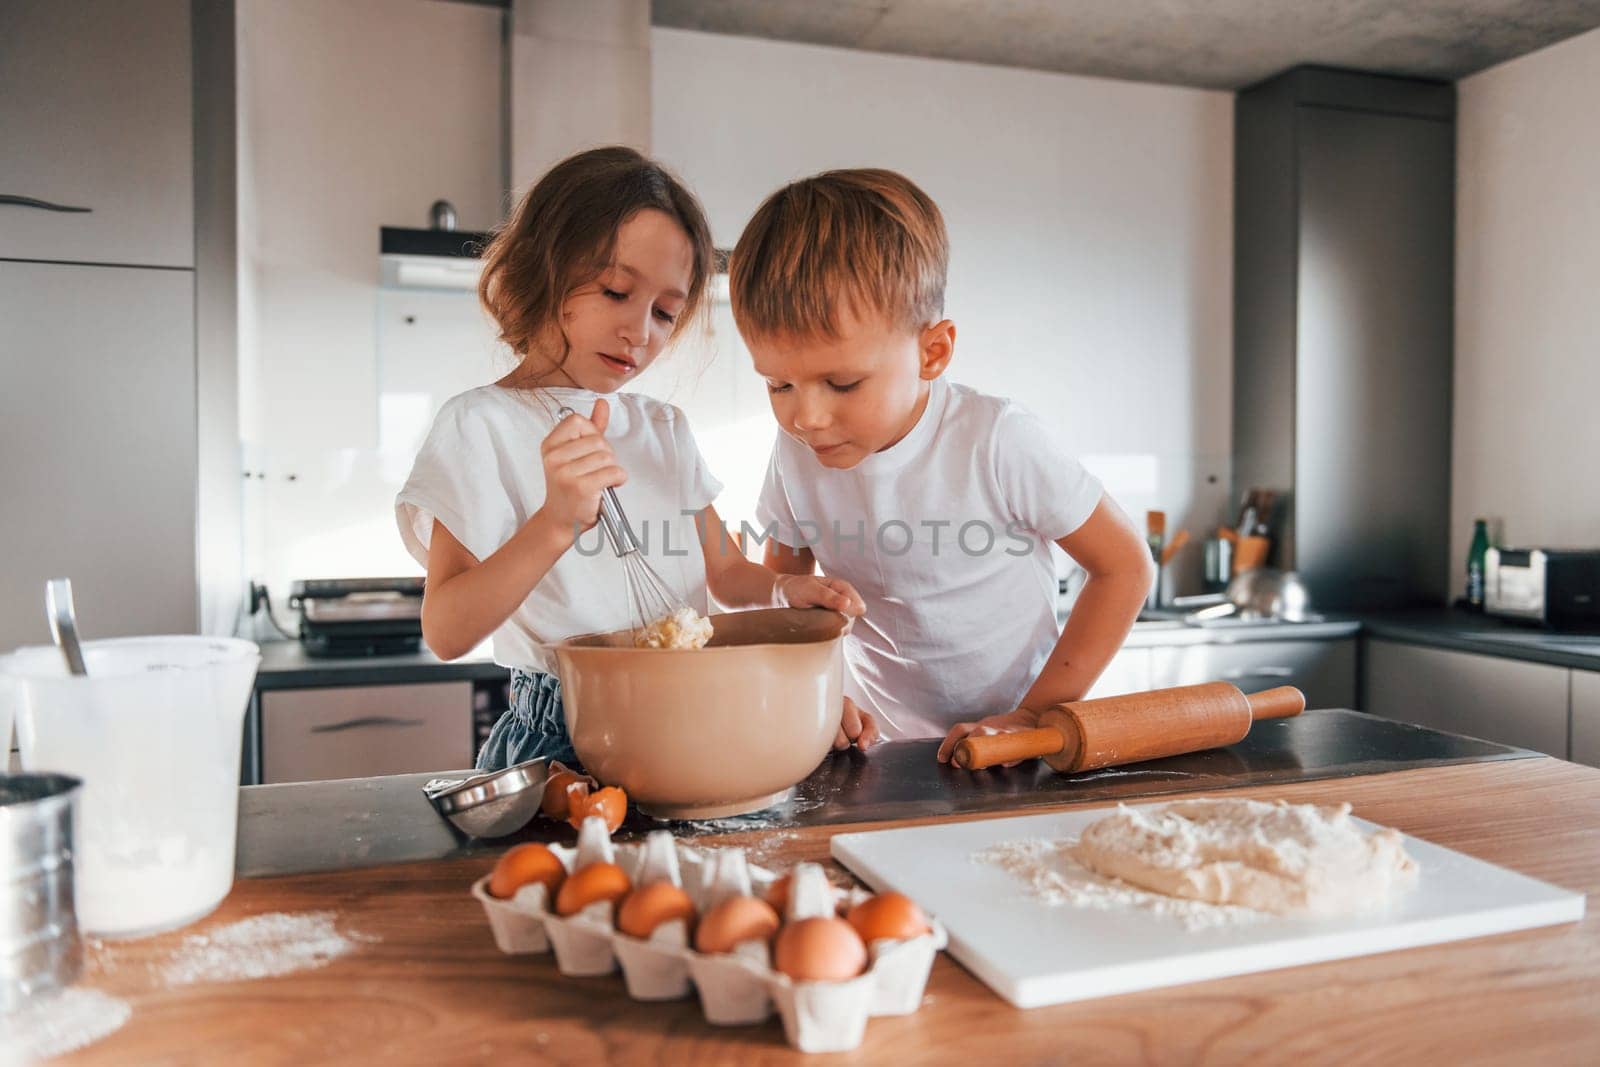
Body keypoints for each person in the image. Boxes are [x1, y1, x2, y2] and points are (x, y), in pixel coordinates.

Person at [396, 147, 870, 773]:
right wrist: (556, 523)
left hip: (691, 712)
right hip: (566, 735)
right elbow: (446, 631)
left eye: (666, 312)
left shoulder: (664, 429)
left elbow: (725, 573)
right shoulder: (478, 425)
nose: (641, 332)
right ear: (545, 266)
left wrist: (784, 586)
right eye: (617, 291)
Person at [726, 167, 1153, 761]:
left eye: (842, 382)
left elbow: (1126, 567)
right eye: (778, 385)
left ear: (933, 351)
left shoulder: (996, 439)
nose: (807, 417)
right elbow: (793, 595)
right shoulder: (795, 454)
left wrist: (1032, 717)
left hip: (1021, 747)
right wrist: (816, 693)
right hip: (882, 752)